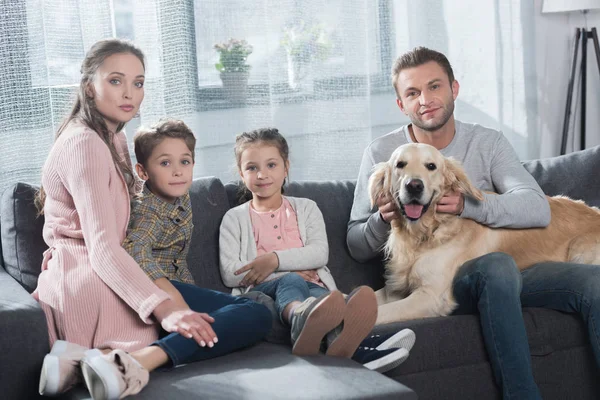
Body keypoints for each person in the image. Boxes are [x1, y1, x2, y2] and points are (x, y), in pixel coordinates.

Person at [347, 46, 600, 400]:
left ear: (454, 88)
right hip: (474, 275)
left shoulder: (488, 143)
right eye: (412, 93)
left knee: (591, 280)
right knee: (496, 268)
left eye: (434, 87)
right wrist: (381, 219)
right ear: (400, 103)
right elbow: (357, 244)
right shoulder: (382, 155)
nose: (425, 100)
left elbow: (536, 207)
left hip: (530, 266)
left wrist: (469, 205)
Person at [33, 39, 269, 400]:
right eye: (115, 81)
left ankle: (79, 361)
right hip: (95, 278)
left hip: (103, 272)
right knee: (253, 315)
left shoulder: (113, 138)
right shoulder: (84, 143)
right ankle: (133, 362)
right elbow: (102, 247)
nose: (129, 93)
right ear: (88, 87)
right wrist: (166, 309)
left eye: (138, 82)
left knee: (251, 311)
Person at [219, 127, 416, 373]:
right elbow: (230, 273)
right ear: (241, 173)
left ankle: (360, 350)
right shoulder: (234, 218)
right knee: (294, 281)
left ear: (285, 167)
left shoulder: (307, 208)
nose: (262, 175)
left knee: (329, 301)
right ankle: (306, 318)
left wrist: (272, 259)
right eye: (252, 168)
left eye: (271, 165)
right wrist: (284, 271)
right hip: (263, 296)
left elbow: (319, 254)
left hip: (315, 290)